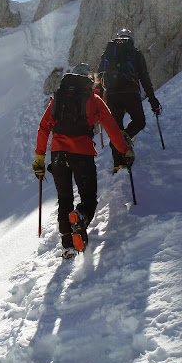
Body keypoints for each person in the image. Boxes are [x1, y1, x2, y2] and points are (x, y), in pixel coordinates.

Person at [32, 63, 134, 258]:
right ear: (88, 79)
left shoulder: (58, 99)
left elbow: (44, 127)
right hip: (82, 154)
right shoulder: (94, 99)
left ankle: (68, 245)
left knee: (64, 199)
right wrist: (124, 151)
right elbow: (111, 126)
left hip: (58, 154)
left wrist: (39, 157)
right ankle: (80, 217)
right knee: (88, 199)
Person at [97, 29, 161, 173]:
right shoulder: (136, 53)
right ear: (132, 39)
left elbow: (99, 78)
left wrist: (99, 100)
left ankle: (118, 165)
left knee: (116, 129)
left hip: (112, 95)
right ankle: (126, 137)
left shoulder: (108, 53)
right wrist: (152, 99)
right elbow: (144, 78)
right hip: (131, 93)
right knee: (139, 121)